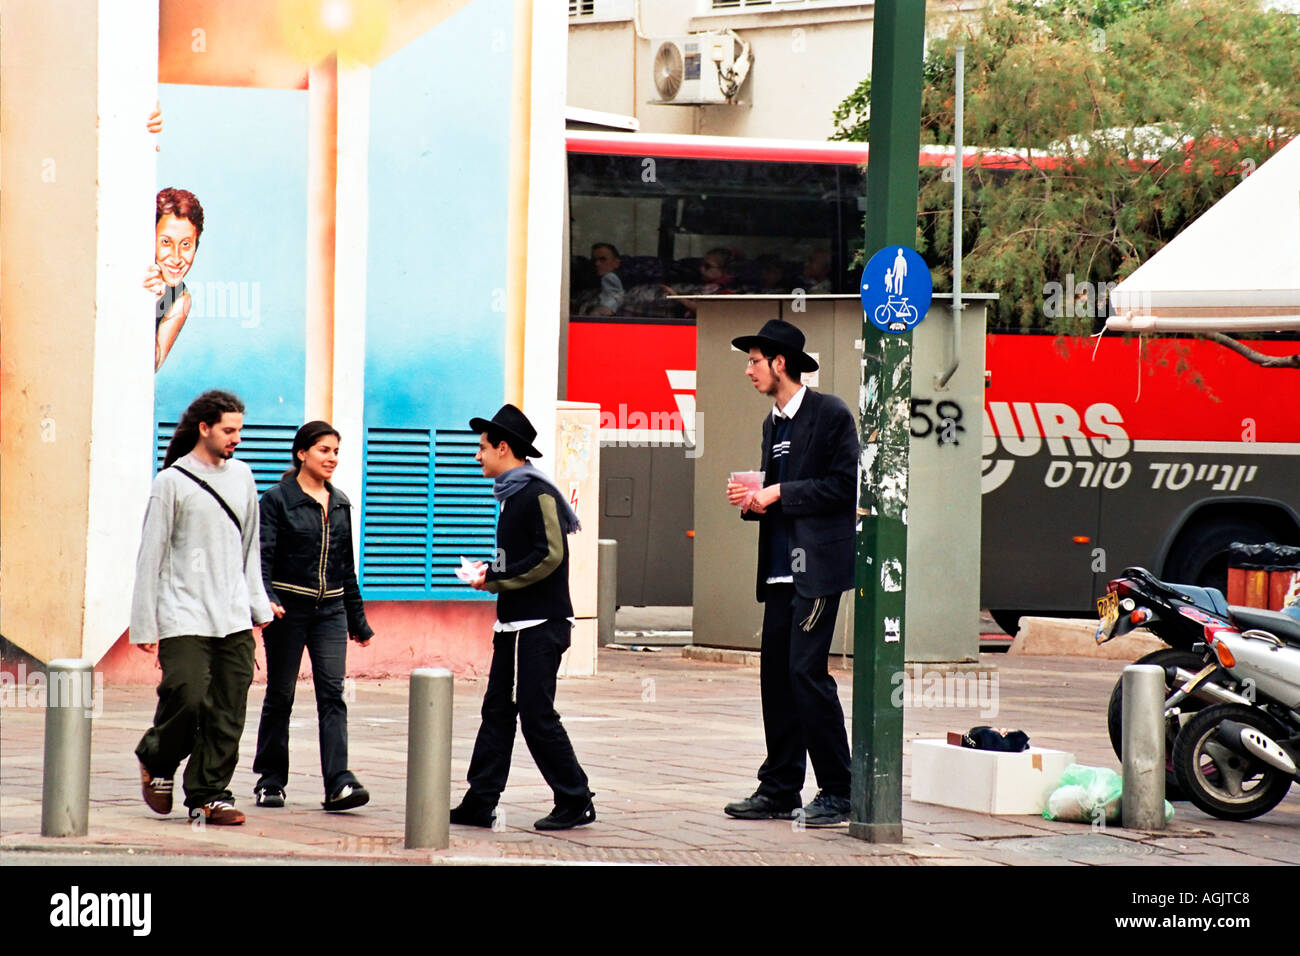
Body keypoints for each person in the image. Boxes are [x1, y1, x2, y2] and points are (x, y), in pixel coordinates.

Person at [723, 319, 858, 827]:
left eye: (754, 360)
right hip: (779, 570)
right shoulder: (772, 423)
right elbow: (778, 493)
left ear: (780, 362)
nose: (748, 370)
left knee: (807, 673)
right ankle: (780, 787)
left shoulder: (830, 414)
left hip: (817, 570)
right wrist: (753, 500)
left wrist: (780, 492)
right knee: (776, 680)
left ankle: (840, 788)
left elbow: (844, 486)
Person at [449, 404, 595, 831]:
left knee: (535, 713)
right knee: (497, 711)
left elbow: (549, 556)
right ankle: (480, 801)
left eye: (482, 448)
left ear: (503, 447)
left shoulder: (537, 494)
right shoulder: (512, 496)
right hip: (513, 626)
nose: (477, 456)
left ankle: (576, 799)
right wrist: (488, 571)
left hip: (539, 625)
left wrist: (494, 577)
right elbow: (520, 557)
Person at [132, 390, 273, 825]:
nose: (237, 438)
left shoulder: (243, 477)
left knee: (228, 708)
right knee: (188, 697)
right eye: (229, 430)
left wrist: (257, 608)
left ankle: (209, 794)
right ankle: (157, 758)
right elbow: (150, 556)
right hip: (183, 615)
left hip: (232, 616)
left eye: (239, 431)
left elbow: (249, 548)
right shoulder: (171, 482)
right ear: (204, 428)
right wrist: (143, 624)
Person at [252, 421, 375, 812]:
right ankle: (270, 781)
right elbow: (262, 558)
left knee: (332, 695)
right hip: (289, 611)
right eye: (324, 450)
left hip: (331, 612)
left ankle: (338, 783)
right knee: (281, 695)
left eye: (336, 451)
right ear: (302, 453)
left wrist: (358, 622)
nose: (332, 458)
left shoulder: (339, 503)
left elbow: (346, 567)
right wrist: (266, 598)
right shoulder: (276, 500)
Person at [146, 187, 204, 372]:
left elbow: (151, 366)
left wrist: (148, 305)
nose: (177, 258)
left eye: (186, 244)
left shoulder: (180, 299)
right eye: (166, 242)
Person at [588, 242, 624, 316]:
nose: (597, 264)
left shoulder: (609, 277)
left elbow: (615, 295)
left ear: (616, 263)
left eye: (603, 259)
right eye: (594, 260)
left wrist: (608, 307)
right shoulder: (589, 289)